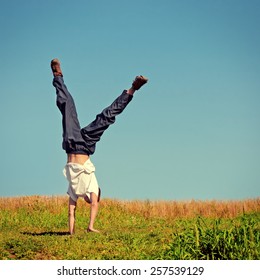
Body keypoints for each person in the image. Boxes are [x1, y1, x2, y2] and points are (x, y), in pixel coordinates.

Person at [51, 59, 148, 234]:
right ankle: (133, 89)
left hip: (72, 144)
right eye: (93, 199)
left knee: (67, 106)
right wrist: (91, 227)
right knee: (107, 117)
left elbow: (70, 212)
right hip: (86, 145)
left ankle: (57, 76)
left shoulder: (74, 192)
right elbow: (95, 203)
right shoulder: (92, 187)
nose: (91, 201)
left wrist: (71, 233)